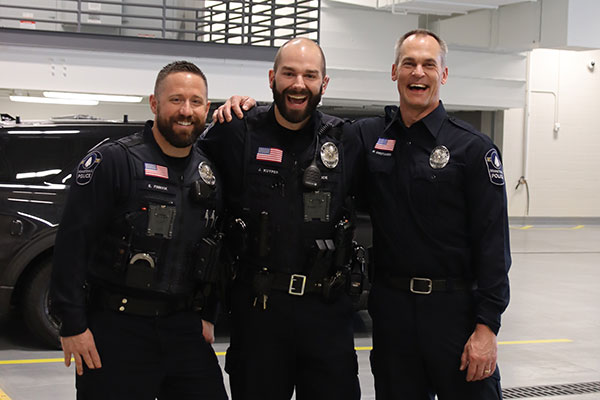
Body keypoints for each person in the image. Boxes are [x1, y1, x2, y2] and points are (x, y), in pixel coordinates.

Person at [50, 61, 228, 400]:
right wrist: (72, 324)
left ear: (207, 107)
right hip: (117, 328)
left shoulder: (210, 172)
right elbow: (73, 245)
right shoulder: (114, 161)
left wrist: (208, 314)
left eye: (196, 101)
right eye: (176, 99)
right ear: (154, 103)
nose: (186, 111)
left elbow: (215, 247)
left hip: (184, 328)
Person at [200, 38, 362, 400]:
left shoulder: (346, 139)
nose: (298, 84)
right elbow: (197, 204)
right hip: (259, 314)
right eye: (289, 73)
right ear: (272, 77)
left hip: (326, 314)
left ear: (324, 83)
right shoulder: (237, 131)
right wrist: (203, 308)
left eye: (309, 75)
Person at [355, 29, 511, 399]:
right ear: (394, 71)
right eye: (409, 63)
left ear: (443, 75)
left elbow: (493, 244)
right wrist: (251, 108)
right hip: (392, 313)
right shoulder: (368, 137)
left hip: (454, 314)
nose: (418, 73)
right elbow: (307, 126)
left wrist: (487, 327)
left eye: (428, 64)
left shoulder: (472, 149)